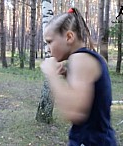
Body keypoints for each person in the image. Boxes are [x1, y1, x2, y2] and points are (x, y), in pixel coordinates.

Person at [40, 8, 117, 146]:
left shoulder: (80, 59)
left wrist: (52, 75)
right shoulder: (88, 57)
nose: (47, 48)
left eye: (50, 42)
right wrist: (66, 75)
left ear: (69, 37)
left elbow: (75, 113)